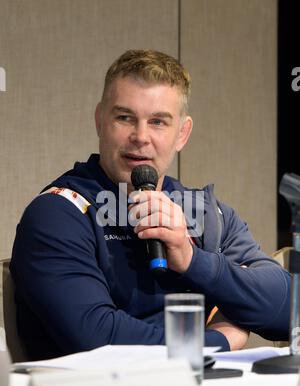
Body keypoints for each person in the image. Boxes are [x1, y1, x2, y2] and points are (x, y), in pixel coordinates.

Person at [10, 50, 290, 360]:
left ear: (182, 134)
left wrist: (191, 260)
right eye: (125, 117)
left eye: (158, 122)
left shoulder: (207, 213)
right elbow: (98, 339)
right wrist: (218, 342)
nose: (140, 137)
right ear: (100, 120)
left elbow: (287, 311)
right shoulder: (58, 214)